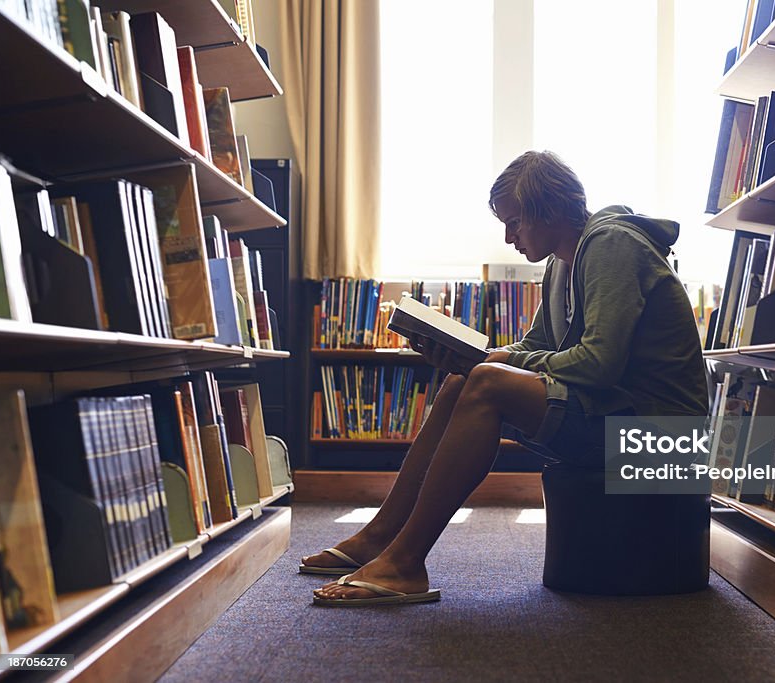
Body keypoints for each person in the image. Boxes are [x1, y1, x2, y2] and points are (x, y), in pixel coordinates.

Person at [303, 150, 709, 605]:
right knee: (464, 382)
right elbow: (537, 345)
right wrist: (480, 356)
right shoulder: (562, 263)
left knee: (487, 384)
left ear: (551, 210)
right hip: (616, 412)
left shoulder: (612, 245)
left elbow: (599, 363)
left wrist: (495, 367)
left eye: (515, 222)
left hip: (664, 437)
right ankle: (382, 536)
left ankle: (404, 562)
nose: (508, 236)